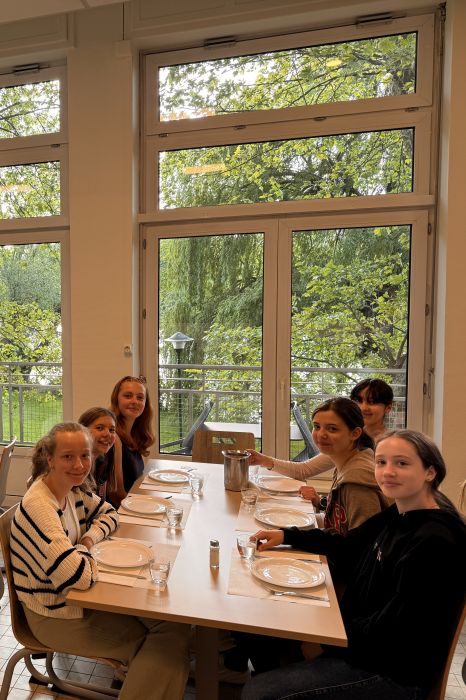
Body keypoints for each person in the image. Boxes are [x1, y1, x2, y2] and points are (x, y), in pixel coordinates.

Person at [243, 429, 466, 700]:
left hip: (392, 671)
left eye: (402, 463)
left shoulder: (435, 541)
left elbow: (395, 630)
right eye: (381, 462)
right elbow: (349, 544)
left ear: (430, 472)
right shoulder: (401, 512)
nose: (388, 471)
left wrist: (327, 643)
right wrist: (287, 536)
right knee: (259, 627)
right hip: (364, 643)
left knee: (259, 693)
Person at [10, 422, 190, 700]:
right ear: (50, 459)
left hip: (78, 601)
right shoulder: (40, 507)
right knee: (165, 645)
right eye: (68, 456)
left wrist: (87, 541)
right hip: (53, 615)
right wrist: (85, 553)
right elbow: (78, 576)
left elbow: (110, 514)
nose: (79, 465)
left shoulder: (72, 490)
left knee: (173, 625)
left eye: (85, 455)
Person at [248, 379, 394, 499]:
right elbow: (304, 469)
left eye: (372, 402)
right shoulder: (345, 443)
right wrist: (263, 460)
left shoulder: (390, 446)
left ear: (388, 408)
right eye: (358, 400)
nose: (363, 407)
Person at [110, 375, 154, 494]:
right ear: (116, 399)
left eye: (140, 397)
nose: (134, 401)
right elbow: (116, 494)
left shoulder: (134, 435)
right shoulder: (114, 437)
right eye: (128, 396)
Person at [78, 406, 125, 504]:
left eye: (112, 430)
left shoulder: (102, 460)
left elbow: (100, 501)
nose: (107, 434)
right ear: (83, 431)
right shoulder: (76, 466)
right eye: (99, 428)